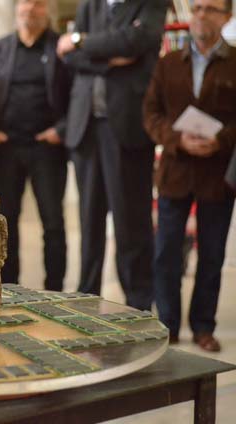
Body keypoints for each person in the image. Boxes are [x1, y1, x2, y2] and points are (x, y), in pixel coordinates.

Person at [56, 0, 169, 310]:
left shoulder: (150, 4)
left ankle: (138, 304)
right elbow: (70, 58)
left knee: (131, 224)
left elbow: (136, 42)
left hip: (126, 128)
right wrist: (110, 60)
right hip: (86, 127)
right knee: (89, 223)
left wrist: (81, 41)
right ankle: (86, 301)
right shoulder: (89, 5)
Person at [143, 0, 236, 352]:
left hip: (218, 175)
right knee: (166, 253)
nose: (200, 15)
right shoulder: (167, 63)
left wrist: (221, 140)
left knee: (211, 255)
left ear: (227, 17)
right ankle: (167, 324)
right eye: (196, 8)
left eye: (211, 9)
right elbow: (150, 113)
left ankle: (203, 327)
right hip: (175, 172)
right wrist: (177, 139)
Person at [0, 0, 71, 290]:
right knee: (4, 222)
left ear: (48, 9)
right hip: (8, 148)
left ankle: (54, 290)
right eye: (25, 2)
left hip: (47, 149)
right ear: (17, 8)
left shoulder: (59, 48)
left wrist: (61, 130)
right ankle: (9, 287)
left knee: (52, 222)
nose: (30, 8)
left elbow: (78, 94)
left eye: (38, 3)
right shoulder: (0, 48)